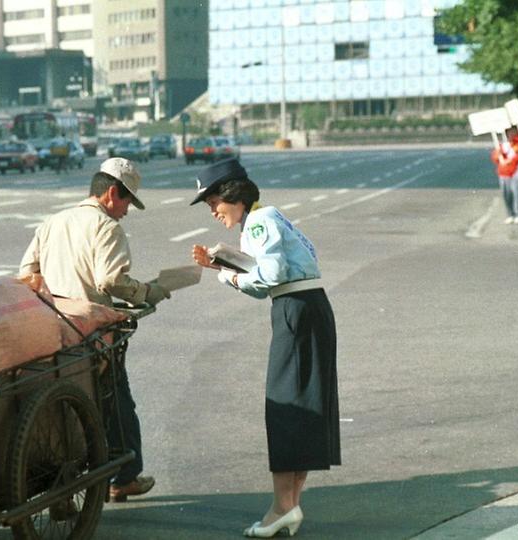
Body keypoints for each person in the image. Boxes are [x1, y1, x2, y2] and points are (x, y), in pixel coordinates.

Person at [189, 158, 340, 538]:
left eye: (213, 204)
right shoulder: (271, 216)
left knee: (284, 406)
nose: (213, 212)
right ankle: (289, 505)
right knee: (303, 404)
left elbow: (269, 276)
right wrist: (224, 269)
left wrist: (228, 275)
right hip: (309, 308)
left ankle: (280, 508)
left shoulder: (256, 222)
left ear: (231, 195)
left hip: (294, 312)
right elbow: (281, 270)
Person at [19, 156, 171, 502]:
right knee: (118, 404)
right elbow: (111, 280)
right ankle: (124, 477)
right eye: (128, 201)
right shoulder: (107, 227)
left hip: (52, 333)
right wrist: (150, 292)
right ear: (112, 193)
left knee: (70, 405)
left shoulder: (53, 222)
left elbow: (27, 273)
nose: (127, 210)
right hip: (93, 337)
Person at [491, 128, 518, 224]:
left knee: (517, 192)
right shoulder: (501, 145)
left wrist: (511, 160)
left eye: (513, 131)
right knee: (506, 194)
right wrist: (498, 155)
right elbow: (494, 157)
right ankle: (510, 214)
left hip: (516, 171)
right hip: (504, 172)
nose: (511, 134)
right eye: (509, 132)